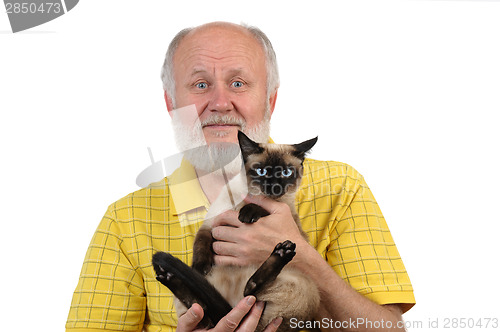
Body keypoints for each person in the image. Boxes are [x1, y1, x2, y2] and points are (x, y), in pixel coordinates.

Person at [66, 22, 415, 332]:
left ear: (269, 100)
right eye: (200, 84)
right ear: (172, 104)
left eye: (238, 83)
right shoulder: (124, 220)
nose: (220, 102)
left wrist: (305, 257)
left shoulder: (341, 188)